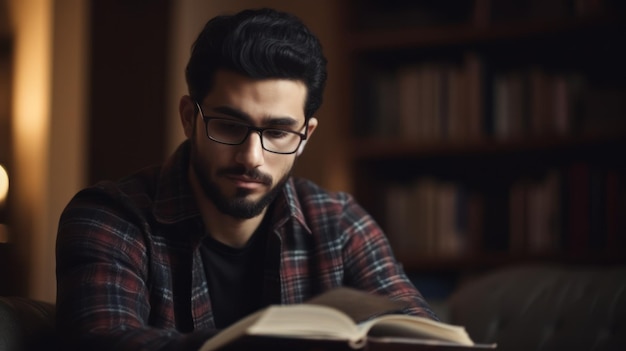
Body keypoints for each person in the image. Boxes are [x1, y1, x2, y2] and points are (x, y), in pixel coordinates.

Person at [55, 7, 437, 351]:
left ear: (306, 136)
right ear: (189, 117)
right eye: (229, 124)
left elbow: (416, 330)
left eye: (277, 133)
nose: (251, 157)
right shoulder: (110, 217)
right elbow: (104, 341)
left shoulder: (339, 222)